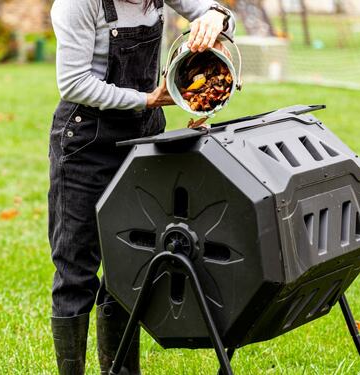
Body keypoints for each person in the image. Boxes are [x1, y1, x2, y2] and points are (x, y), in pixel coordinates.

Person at [48, 1, 235, 374]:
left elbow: (210, 10)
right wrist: (147, 99)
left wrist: (218, 18)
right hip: (87, 143)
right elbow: (72, 82)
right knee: (76, 271)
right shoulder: (77, 4)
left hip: (143, 137)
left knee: (129, 267)